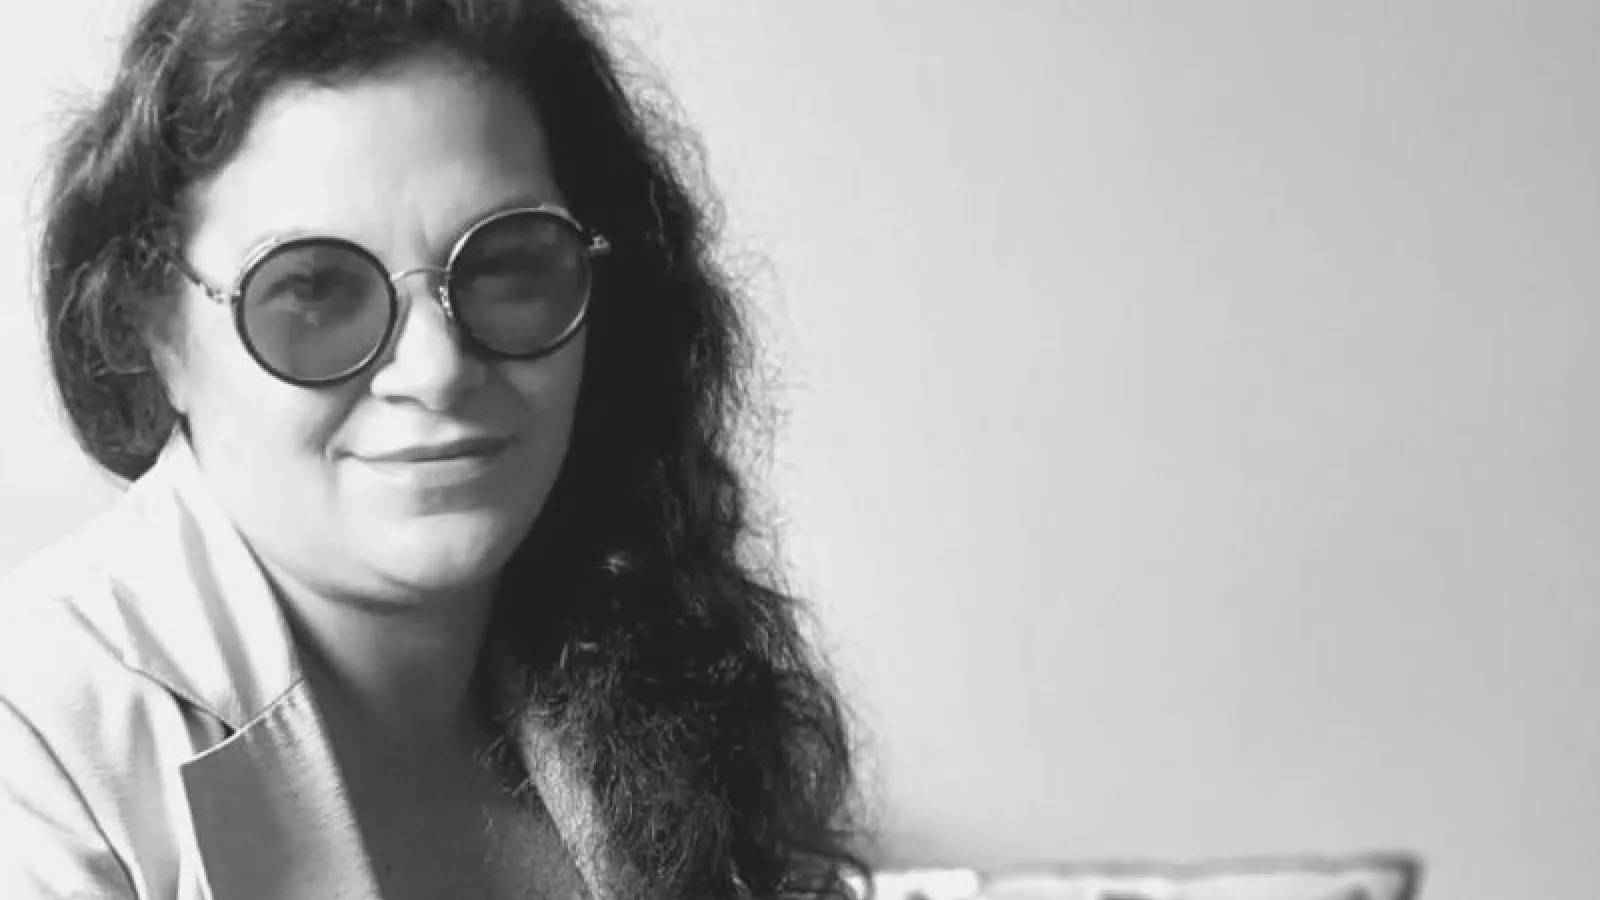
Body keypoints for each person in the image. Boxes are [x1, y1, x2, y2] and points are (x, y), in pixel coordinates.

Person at [0, 0, 866, 897]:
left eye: (507, 267)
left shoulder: (667, 671)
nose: (437, 370)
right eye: (314, 291)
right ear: (154, 332)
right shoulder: (31, 747)